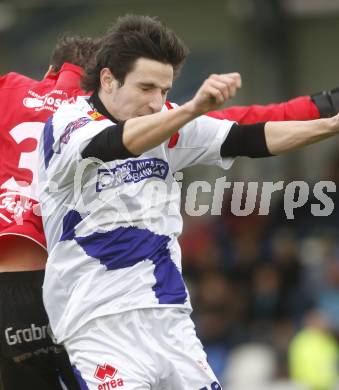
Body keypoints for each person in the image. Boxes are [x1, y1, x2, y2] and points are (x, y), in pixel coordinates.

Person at [38, 14, 339, 389]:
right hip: (99, 325)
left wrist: (330, 125)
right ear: (108, 79)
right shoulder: (68, 124)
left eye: (164, 91)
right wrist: (191, 108)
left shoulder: (166, 121)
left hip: (170, 320)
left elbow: (249, 138)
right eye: (146, 88)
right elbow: (116, 142)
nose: (155, 102)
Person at [0, 35, 100, 390]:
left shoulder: (9, 88)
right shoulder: (103, 111)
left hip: (9, 286)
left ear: (50, 70)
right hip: (77, 284)